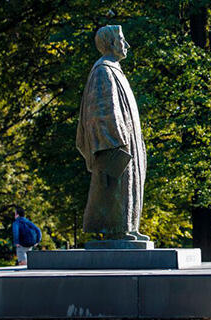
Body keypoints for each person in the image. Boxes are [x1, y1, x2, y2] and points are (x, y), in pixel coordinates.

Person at [76, 25, 149, 241]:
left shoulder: (114, 70)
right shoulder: (103, 71)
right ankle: (117, 230)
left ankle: (128, 226)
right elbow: (100, 111)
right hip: (116, 145)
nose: (126, 45)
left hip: (128, 142)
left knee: (130, 185)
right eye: (122, 40)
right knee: (119, 185)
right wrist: (115, 142)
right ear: (110, 43)